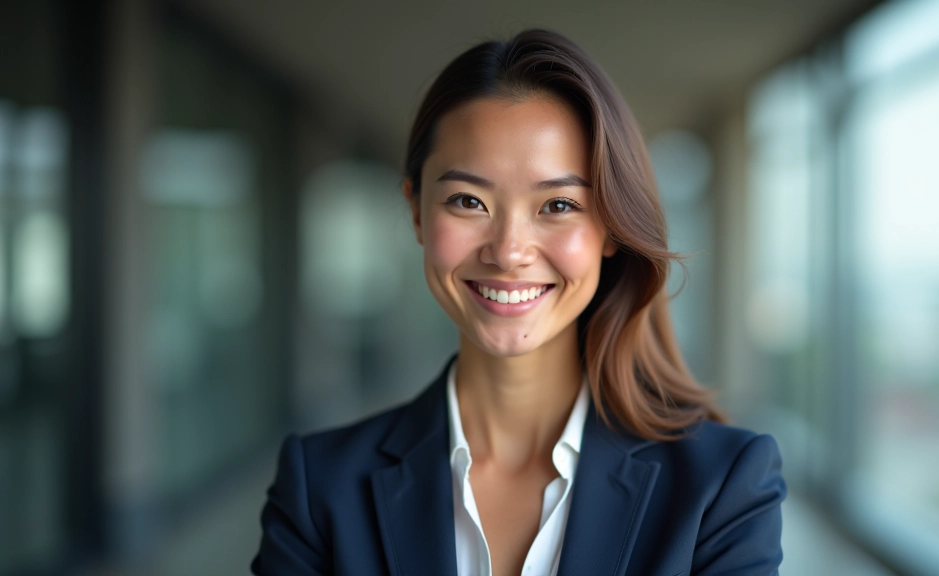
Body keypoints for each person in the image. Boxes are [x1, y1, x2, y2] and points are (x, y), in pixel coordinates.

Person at [251, 28, 786, 576]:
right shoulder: (319, 488)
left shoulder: (723, 487)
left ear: (610, 229)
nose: (508, 252)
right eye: (467, 201)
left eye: (557, 204)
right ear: (416, 211)